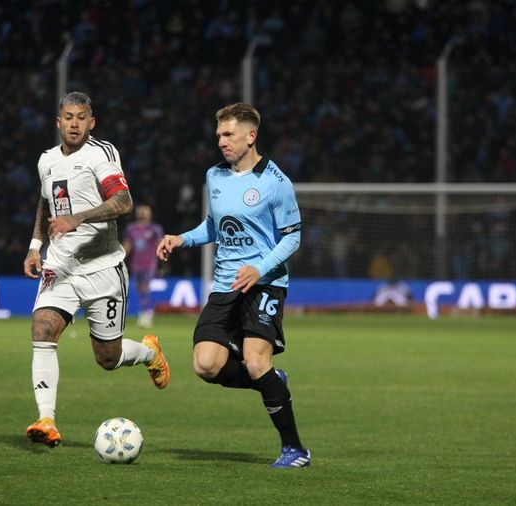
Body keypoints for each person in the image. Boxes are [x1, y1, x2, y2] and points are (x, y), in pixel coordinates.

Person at [156, 102, 309, 468]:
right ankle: (272, 380)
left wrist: (260, 268)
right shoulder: (215, 176)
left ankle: (295, 450)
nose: (221, 142)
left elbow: (292, 238)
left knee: (256, 361)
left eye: (229, 135)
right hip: (225, 286)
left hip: (265, 285)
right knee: (205, 366)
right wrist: (182, 239)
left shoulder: (276, 182)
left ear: (250, 136)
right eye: (219, 135)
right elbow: (215, 226)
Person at [22, 91, 170, 447]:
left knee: (108, 357)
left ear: (92, 122)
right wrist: (35, 245)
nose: (74, 124)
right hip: (61, 265)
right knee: (42, 329)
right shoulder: (46, 161)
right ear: (58, 122)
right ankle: (46, 419)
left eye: (81, 117)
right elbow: (45, 203)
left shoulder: (101, 154)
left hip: (103, 267)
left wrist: (78, 218)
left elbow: (123, 201)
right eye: (68, 117)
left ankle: (149, 352)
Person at [123, 204, 165, 327]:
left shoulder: (155, 229)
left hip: (150, 263)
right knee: (139, 288)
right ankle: (143, 312)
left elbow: (159, 244)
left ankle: (146, 314)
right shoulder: (131, 229)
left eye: (145, 211)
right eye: (140, 211)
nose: (142, 213)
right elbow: (128, 245)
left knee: (146, 287)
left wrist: (163, 258)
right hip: (136, 264)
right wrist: (119, 258)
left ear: (150, 213)